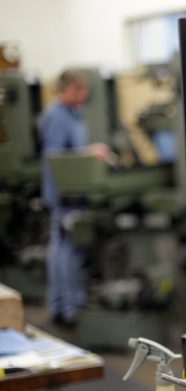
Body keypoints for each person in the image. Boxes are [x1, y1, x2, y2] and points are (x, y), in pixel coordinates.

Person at [38, 69, 112, 327]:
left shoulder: (74, 113)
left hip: (73, 190)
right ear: (64, 89)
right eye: (77, 90)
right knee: (66, 251)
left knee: (63, 249)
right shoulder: (56, 116)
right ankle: (68, 309)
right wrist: (89, 152)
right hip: (64, 193)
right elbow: (56, 156)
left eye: (84, 90)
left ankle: (61, 305)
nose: (82, 95)